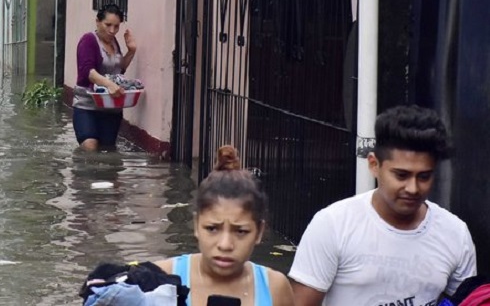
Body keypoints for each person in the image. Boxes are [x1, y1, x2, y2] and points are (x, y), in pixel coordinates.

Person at [289, 105, 477, 306]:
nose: (413, 188)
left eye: (424, 176)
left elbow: (470, 301)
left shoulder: (455, 234)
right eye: (401, 175)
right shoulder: (333, 225)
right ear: (374, 165)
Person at [155, 145, 294, 306]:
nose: (225, 245)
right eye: (212, 229)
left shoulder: (274, 288)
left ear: (259, 232)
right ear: (196, 225)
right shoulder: (162, 279)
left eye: (241, 231)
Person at [71, 4, 137, 150]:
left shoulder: (114, 43)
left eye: (116, 26)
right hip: (87, 105)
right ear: (97, 21)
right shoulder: (88, 40)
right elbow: (88, 72)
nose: (112, 31)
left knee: (108, 150)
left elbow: (119, 70)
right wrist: (109, 85)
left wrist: (131, 51)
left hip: (111, 108)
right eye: (108, 25)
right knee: (90, 146)